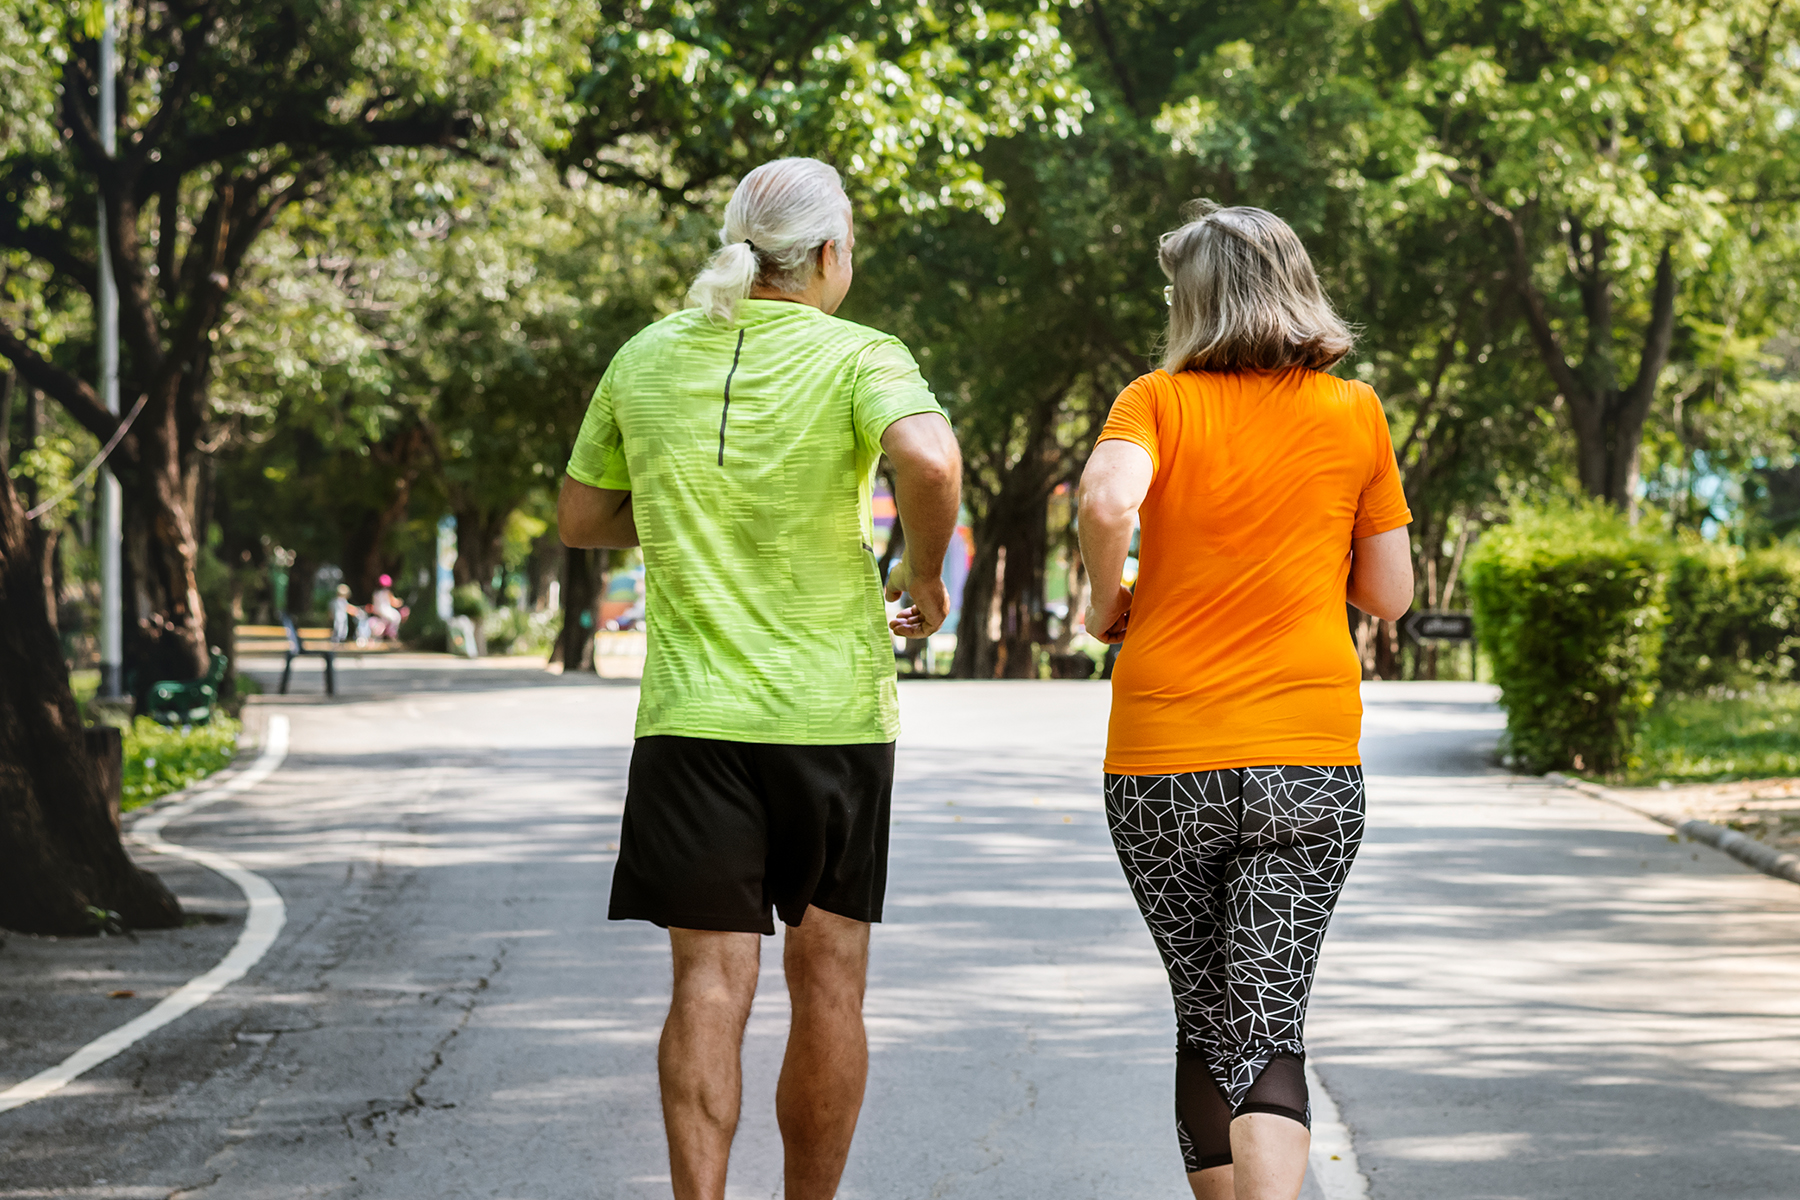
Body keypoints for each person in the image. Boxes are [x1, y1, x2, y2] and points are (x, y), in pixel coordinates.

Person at [557, 157, 962, 1200]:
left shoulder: (645, 356)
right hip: (832, 717)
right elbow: (931, 459)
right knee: (828, 980)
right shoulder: (862, 355)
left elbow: (581, 518)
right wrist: (924, 576)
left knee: (707, 983)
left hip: (692, 722)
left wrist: (699, 516)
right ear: (828, 254)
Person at [1077, 201, 1413, 1200]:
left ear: (1195, 302)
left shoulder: (1156, 401)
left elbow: (1104, 500)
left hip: (1162, 763)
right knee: (1265, 1021)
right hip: (1306, 765)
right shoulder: (1354, 413)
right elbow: (1388, 594)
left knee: (1204, 1012)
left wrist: (1109, 601)